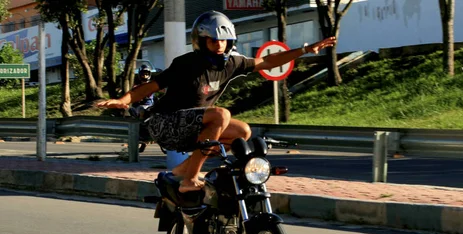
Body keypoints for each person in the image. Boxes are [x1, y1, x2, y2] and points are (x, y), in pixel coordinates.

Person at [97, 11, 336, 193]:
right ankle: (190, 179)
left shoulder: (233, 63)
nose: (219, 45)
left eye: (224, 41)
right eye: (213, 40)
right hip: (164, 123)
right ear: (201, 41)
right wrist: (123, 99)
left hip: (194, 126)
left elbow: (267, 62)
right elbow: (151, 86)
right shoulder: (186, 63)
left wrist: (305, 49)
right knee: (221, 115)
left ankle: (183, 169)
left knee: (242, 131)